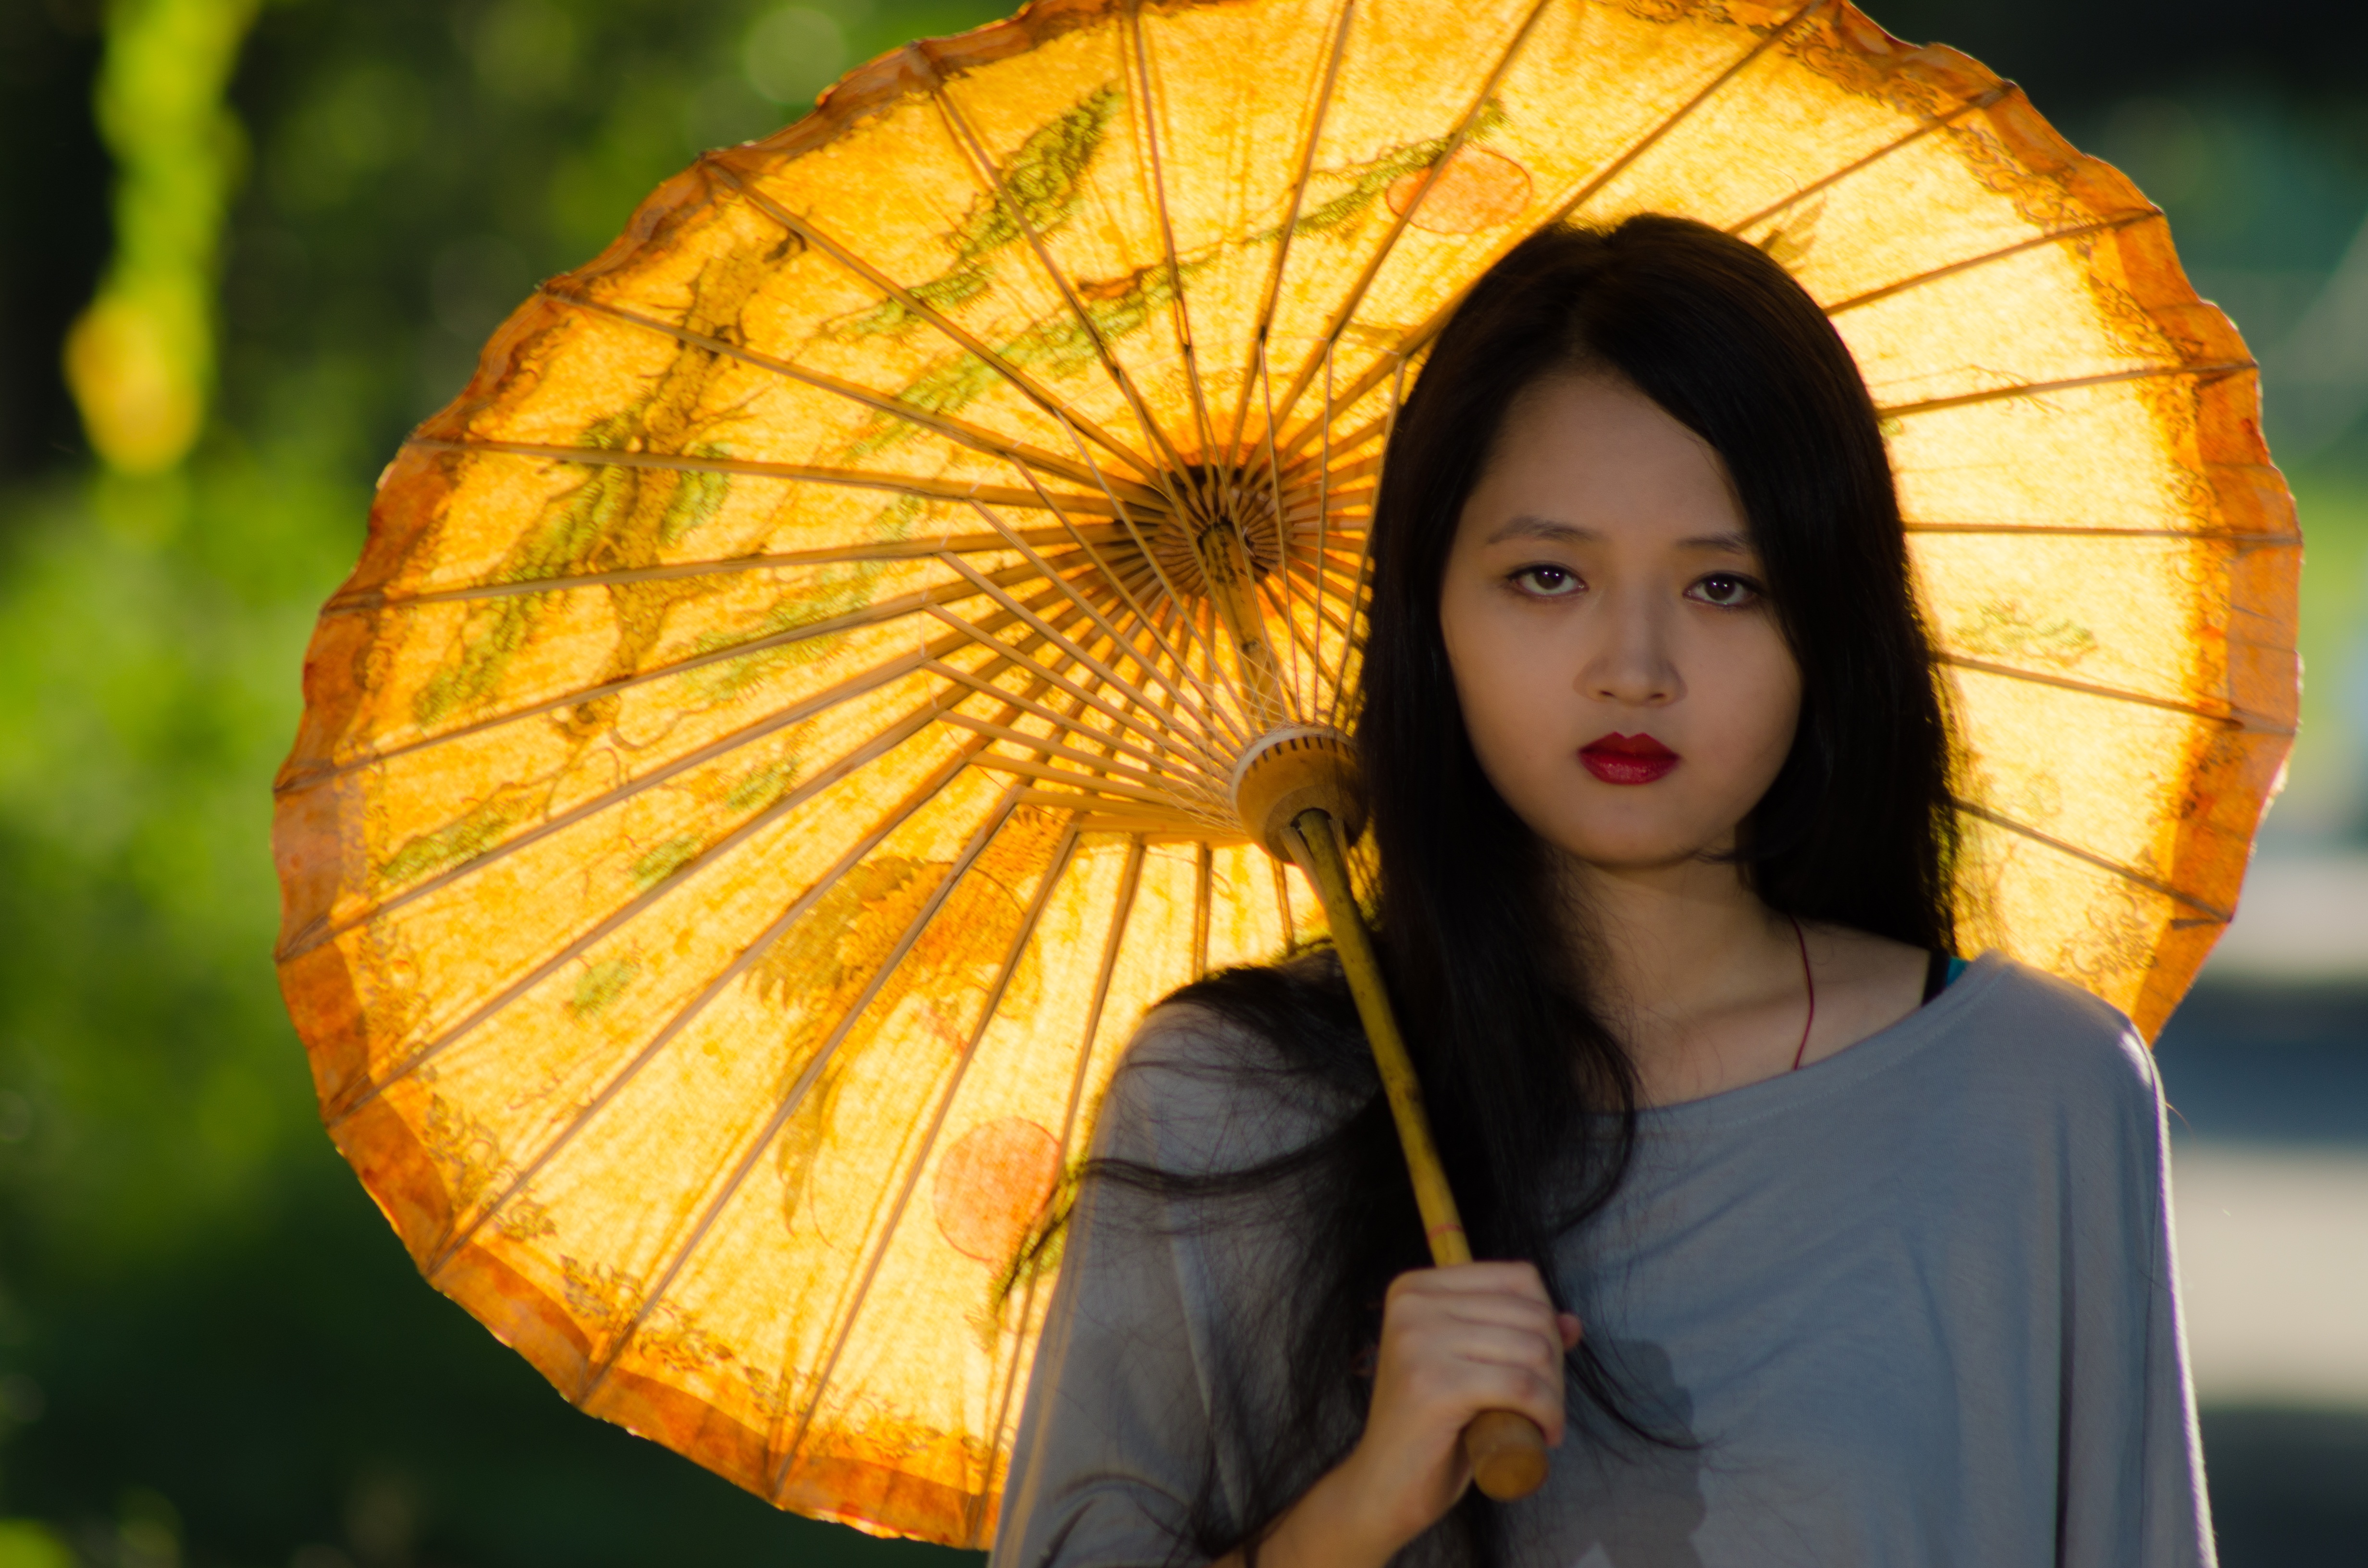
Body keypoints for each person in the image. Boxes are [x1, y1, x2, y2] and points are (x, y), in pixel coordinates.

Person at [989, 215, 2213, 1567]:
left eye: (1729, 586)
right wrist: (1360, 1508)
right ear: (1428, 611)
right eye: (1548, 577)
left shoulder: (2035, 1094)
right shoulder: (1230, 1103)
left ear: (1832, 627)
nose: (1634, 667)